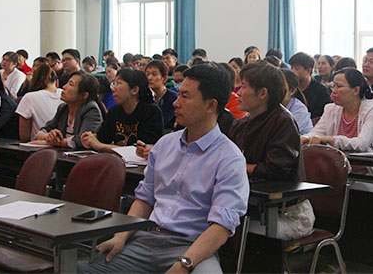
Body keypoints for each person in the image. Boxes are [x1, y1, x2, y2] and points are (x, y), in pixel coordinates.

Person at [79, 63, 248, 273]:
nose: (176, 103)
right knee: (78, 269)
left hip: (193, 247)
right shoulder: (165, 144)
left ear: (211, 105)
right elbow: (145, 199)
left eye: (185, 97)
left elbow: (221, 227)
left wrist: (184, 265)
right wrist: (120, 237)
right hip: (146, 240)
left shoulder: (229, 158)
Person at [228, 62, 314, 240]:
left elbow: (275, 170)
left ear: (262, 93)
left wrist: (239, 167)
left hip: (285, 213)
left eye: (244, 86)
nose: (238, 93)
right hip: (250, 207)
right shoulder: (240, 124)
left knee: (229, 231)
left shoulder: (283, 121)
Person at [302, 67, 373, 193]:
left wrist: (329, 139)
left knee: (352, 191)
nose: (334, 91)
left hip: (372, 175)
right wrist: (306, 138)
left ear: (356, 90)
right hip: (342, 173)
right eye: (333, 86)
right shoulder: (331, 109)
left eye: (339, 86)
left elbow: (361, 144)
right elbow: (316, 133)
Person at [81, 68, 163, 151]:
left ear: (134, 90)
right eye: (114, 83)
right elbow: (102, 138)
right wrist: (91, 138)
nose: (113, 89)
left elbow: (142, 150)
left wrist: (100, 146)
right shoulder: (115, 111)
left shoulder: (151, 112)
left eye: (119, 83)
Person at [34, 71, 103, 148]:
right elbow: (43, 130)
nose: (64, 86)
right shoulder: (63, 108)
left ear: (84, 95)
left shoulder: (91, 109)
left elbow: (83, 140)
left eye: (71, 84)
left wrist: (51, 143)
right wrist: (48, 136)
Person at [15, 64, 63, 142]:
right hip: (63, 143)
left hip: (38, 145)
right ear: (57, 81)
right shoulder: (65, 94)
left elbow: (24, 136)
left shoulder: (29, 97)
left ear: (33, 81)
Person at [288, 52, 332, 119]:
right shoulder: (290, 88)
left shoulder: (321, 91)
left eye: (296, 68)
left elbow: (320, 116)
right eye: (291, 68)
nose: (292, 71)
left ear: (308, 70)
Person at [145, 60, 177, 129]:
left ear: (164, 79)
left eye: (154, 74)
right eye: (147, 74)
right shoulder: (146, 96)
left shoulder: (172, 97)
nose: (149, 78)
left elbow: (163, 121)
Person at [280, 68, 313, 136]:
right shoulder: (271, 105)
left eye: (280, 86)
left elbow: (285, 134)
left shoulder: (299, 109)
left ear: (292, 91)